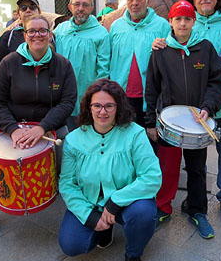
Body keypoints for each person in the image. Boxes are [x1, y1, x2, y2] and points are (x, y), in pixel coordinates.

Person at [0, 14, 77, 242]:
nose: (37, 35)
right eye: (32, 31)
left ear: (50, 34)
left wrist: (44, 127)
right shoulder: (9, 63)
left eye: (42, 31)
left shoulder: (63, 64)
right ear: (24, 35)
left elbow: (68, 102)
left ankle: (77, 212)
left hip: (52, 128)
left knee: (74, 171)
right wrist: (12, 129)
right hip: (12, 127)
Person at [154, 0, 221, 222]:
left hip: (219, 103)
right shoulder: (168, 40)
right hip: (183, 115)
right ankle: (175, 203)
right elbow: (155, 80)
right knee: (179, 164)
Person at [145, 1, 221, 239]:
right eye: (178, 19)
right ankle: (162, 207)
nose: (182, 23)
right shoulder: (160, 50)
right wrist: (150, 121)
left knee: (197, 168)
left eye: (187, 19)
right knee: (167, 167)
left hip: (196, 123)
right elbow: (152, 87)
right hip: (168, 122)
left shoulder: (205, 48)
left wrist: (208, 107)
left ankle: (197, 209)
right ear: (170, 21)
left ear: (194, 21)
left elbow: (216, 82)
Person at [58, 79, 161, 261]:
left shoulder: (135, 134)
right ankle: (102, 230)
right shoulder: (74, 139)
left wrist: (115, 202)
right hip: (91, 202)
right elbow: (67, 183)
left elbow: (152, 176)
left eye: (109, 106)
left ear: (118, 107)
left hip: (127, 201)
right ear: (89, 107)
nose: (102, 112)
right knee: (70, 244)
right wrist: (88, 216)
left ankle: (133, 254)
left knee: (143, 214)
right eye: (97, 105)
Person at [110, 0, 170, 128]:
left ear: (148, 1)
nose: (135, 3)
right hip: (121, 95)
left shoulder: (162, 26)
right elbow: (108, 58)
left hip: (150, 99)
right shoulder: (116, 27)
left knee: (148, 142)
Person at [54, 0, 110, 130]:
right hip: (60, 96)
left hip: (85, 97)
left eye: (85, 5)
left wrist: (96, 97)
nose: (80, 9)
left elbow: (103, 69)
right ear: (70, 6)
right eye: (77, 4)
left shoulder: (101, 33)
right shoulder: (60, 30)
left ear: (92, 8)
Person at [0, 0, 41, 74]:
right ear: (19, 13)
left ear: (39, 11)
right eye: (23, 7)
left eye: (32, 7)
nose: (28, 10)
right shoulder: (8, 37)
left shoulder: (49, 36)